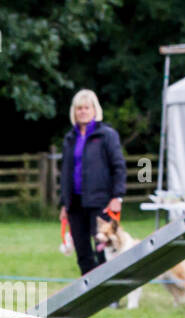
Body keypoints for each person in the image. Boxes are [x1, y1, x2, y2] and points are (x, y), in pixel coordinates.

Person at [59, 89, 127, 276]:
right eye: (79, 108)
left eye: (86, 108)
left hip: (101, 201)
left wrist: (117, 196)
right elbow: (65, 172)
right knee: (82, 250)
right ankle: (87, 292)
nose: (82, 111)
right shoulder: (69, 139)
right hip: (75, 202)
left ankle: (109, 292)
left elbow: (118, 166)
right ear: (74, 111)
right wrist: (64, 203)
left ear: (94, 110)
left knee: (103, 247)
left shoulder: (107, 135)